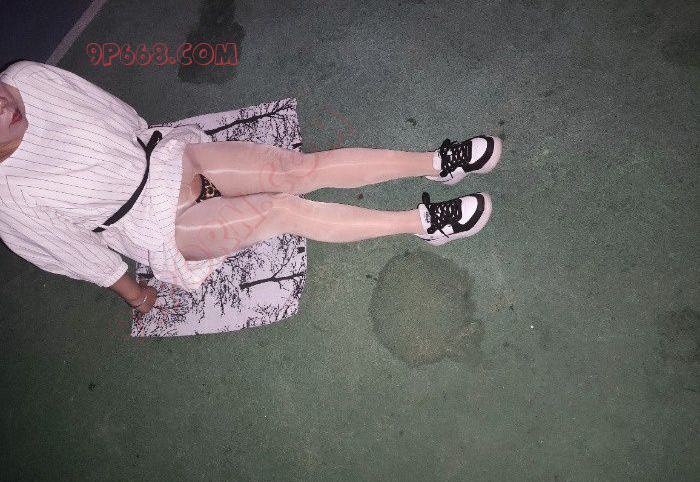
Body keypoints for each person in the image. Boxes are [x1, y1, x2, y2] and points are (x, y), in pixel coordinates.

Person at [0, 60, 502, 315]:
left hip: (166, 157)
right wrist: (134, 294)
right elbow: (70, 251)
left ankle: (436, 162)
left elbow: (115, 114)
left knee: (298, 170)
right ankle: (421, 224)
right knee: (283, 209)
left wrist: (153, 150)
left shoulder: (28, 79)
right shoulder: (7, 196)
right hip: (155, 223)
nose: (4, 104)